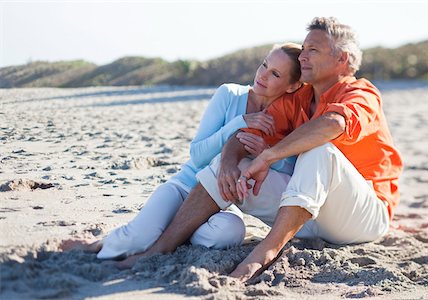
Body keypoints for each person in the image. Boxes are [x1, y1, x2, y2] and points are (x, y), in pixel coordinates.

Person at [129, 17, 403, 281]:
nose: (303, 56)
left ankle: (265, 252)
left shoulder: (362, 93)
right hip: (304, 215)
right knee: (234, 166)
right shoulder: (298, 98)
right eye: (304, 48)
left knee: (321, 150)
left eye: (313, 50)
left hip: (362, 217)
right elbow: (246, 135)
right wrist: (227, 162)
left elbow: (333, 124)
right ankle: (158, 249)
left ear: (341, 59)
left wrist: (269, 155)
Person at [60, 43, 304, 264]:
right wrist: (240, 122)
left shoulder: (285, 118)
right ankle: (98, 244)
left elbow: (289, 169)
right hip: (185, 187)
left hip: (221, 204)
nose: (263, 75)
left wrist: (268, 153)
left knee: (228, 234)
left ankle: (173, 234)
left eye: (275, 74)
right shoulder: (229, 95)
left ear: (293, 85)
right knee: (135, 238)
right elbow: (198, 155)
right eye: (264, 65)